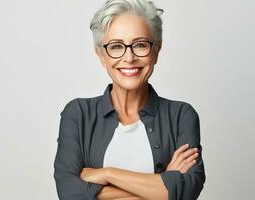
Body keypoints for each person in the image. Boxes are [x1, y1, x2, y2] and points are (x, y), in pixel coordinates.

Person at [53, 0, 205, 199]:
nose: (129, 57)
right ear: (101, 55)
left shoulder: (181, 116)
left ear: (156, 50)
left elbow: (185, 193)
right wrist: (162, 185)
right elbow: (69, 192)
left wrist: (107, 174)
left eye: (140, 45)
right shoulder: (78, 114)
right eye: (116, 47)